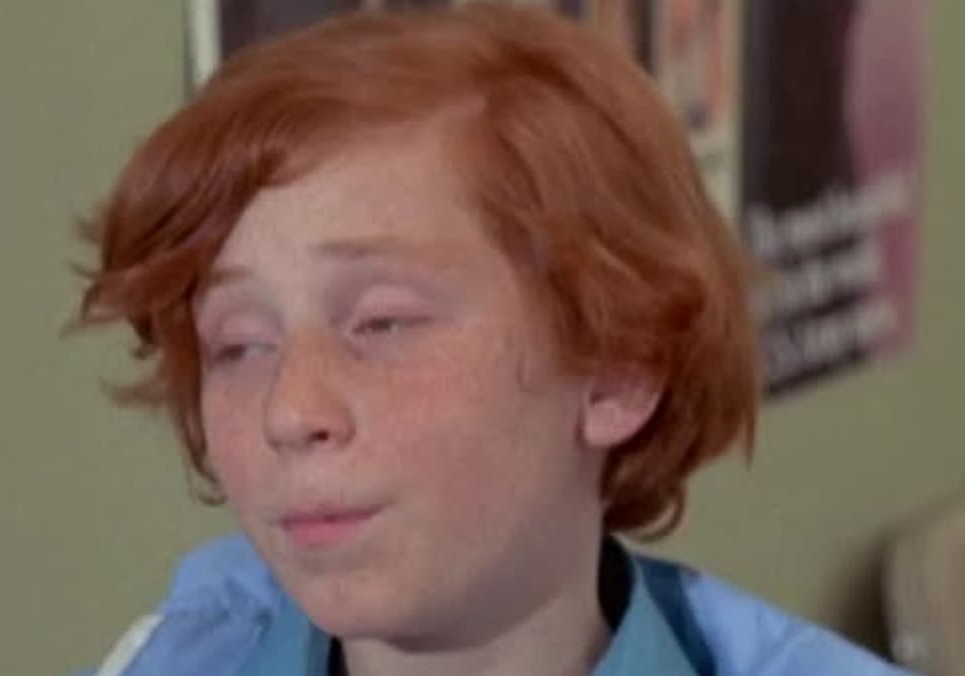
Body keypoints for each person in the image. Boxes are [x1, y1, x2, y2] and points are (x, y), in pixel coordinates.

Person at [72, 6, 908, 675]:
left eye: (382, 324)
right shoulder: (181, 651)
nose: (289, 412)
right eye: (239, 345)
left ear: (617, 368)